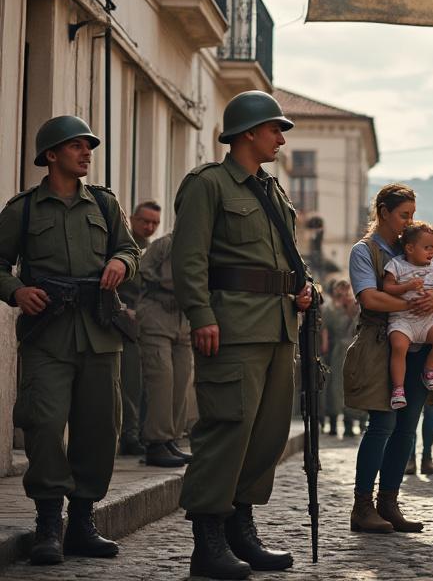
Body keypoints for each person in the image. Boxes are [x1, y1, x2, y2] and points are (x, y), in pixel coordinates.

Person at [170, 91, 315, 579]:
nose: (281, 139)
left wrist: (303, 289)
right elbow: (188, 258)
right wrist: (201, 315)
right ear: (248, 132)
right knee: (226, 431)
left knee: (266, 436)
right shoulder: (208, 184)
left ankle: (241, 528)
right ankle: (207, 540)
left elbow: (286, 258)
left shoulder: (273, 191)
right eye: (275, 129)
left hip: (279, 327)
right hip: (231, 327)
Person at [0, 115, 139, 565]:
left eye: (88, 146)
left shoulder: (104, 204)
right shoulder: (23, 210)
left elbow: (130, 249)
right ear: (51, 155)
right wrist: (16, 291)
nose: (86, 153)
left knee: (99, 430)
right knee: (43, 424)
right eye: (76, 146)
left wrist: (121, 262)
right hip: (48, 334)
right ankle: (47, 524)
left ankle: (81, 523)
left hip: (100, 332)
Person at [345, 184, 433, 535]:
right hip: (382, 345)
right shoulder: (364, 251)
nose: (409, 220)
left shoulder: (417, 244)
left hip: (420, 348)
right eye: (403, 215)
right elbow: (370, 299)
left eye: (412, 214)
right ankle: (362, 506)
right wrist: (416, 303)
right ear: (383, 213)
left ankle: (389, 503)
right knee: (382, 425)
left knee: (407, 428)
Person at [137, 230, 194, 467]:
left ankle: (171, 439)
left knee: (182, 380)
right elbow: (141, 270)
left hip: (184, 319)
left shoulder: (202, 245)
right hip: (157, 313)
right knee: (162, 379)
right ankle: (156, 442)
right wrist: (166, 285)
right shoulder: (164, 245)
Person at [382, 222, 433, 412]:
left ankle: (428, 370)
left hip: (427, 321)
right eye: (427, 247)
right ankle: (398, 389)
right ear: (410, 248)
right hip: (403, 320)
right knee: (398, 346)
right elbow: (387, 287)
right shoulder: (396, 265)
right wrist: (406, 287)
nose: (432, 252)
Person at [118, 200, 161, 456]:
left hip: (150, 323)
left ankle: (144, 433)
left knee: (149, 381)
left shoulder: (153, 250)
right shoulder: (123, 246)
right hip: (124, 324)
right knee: (130, 381)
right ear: (133, 219)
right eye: (145, 221)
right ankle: (129, 435)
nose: (149, 227)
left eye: (155, 223)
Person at [320, 280, 365, 438]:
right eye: (340, 291)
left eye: (346, 291)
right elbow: (324, 329)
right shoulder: (329, 308)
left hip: (355, 350)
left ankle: (353, 422)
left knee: (355, 386)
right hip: (337, 352)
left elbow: (360, 323)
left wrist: (350, 306)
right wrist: (325, 346)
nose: (344, 294)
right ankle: (334, 421)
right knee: (336, 388)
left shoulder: (356, 306)